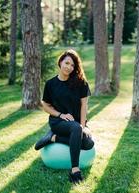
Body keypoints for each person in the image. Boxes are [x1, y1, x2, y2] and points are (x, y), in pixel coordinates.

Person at [34, 49, 94, 184]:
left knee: (89, 143)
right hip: (58, 122)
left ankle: (55, 138)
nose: (69, 67)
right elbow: (46, 105)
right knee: (76, 128)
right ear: (60, 62)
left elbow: (84, 106)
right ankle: (75, 170)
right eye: (67, 63)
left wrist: (84, 126)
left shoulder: (80, 83)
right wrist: (60, 114)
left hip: (77, 123)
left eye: (73, 65)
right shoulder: (51, 84)